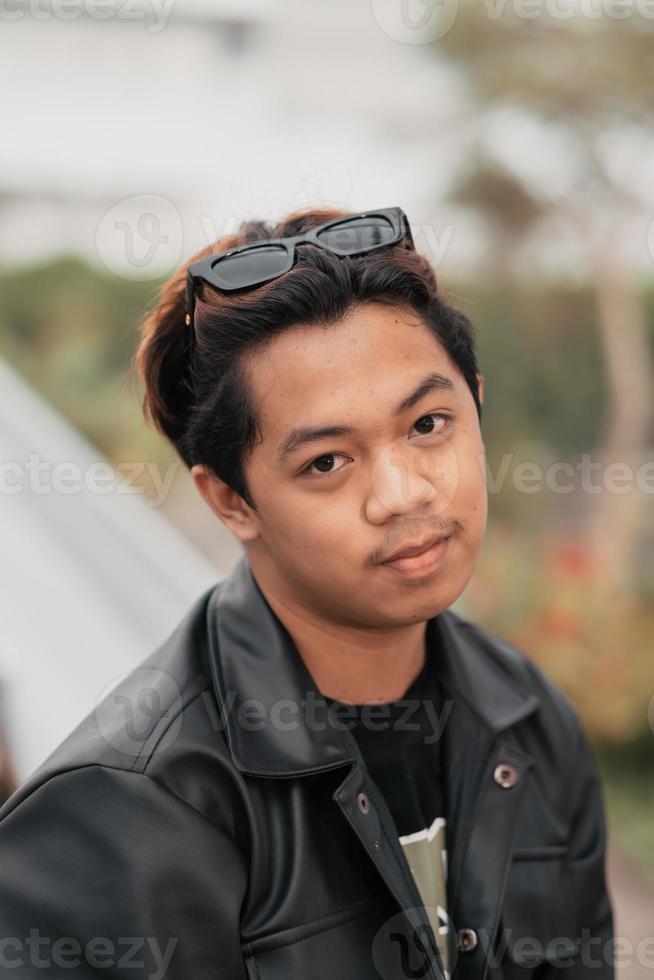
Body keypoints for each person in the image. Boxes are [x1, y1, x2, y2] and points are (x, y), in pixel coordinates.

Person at [0, 207, 614, 980]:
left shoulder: (530, 726)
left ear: (477, 405)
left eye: (428, 424)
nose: (401, 493)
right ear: (231, 501)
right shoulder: (126, 812)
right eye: (326, 462)